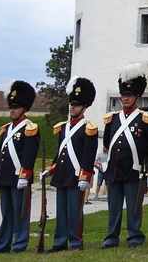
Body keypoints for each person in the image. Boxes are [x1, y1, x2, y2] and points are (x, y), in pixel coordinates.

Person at [98, 63, 148, 249]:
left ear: (137, 98)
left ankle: (135, 237)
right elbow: (107, 141)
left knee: (134, 207)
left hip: (133, 170)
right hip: (114, 171)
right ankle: (111, 238)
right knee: (114, 207)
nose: (125, 99)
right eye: (124, 95)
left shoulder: (144, 118)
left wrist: (143, 158)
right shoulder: (113, 119)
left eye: (129, 96)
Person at [0, 81, 40, 254]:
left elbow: (29, 155)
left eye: (16, 107)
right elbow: (0, 156)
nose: (12, 110)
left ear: (24, 109)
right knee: (7, 214)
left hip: (19, 177)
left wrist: (24, 176)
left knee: (20, 213)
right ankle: (2, 245)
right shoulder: (6, 130)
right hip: (4, 177)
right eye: (11, 107)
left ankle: (19, 244)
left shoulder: (30, 128)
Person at [41, 77, 99, 252]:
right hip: (62, 174)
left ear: (84, 107)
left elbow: (88, 155)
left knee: (74, 211)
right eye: (71, 104)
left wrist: (85, 177)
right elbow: (59, 153)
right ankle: (60, 241)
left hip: (76, 175)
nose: (72, 107)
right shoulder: (64, 128)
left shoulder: (88, 128)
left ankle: (75, 241)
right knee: (61, 211)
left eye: (76, 104)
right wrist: (51, 169)